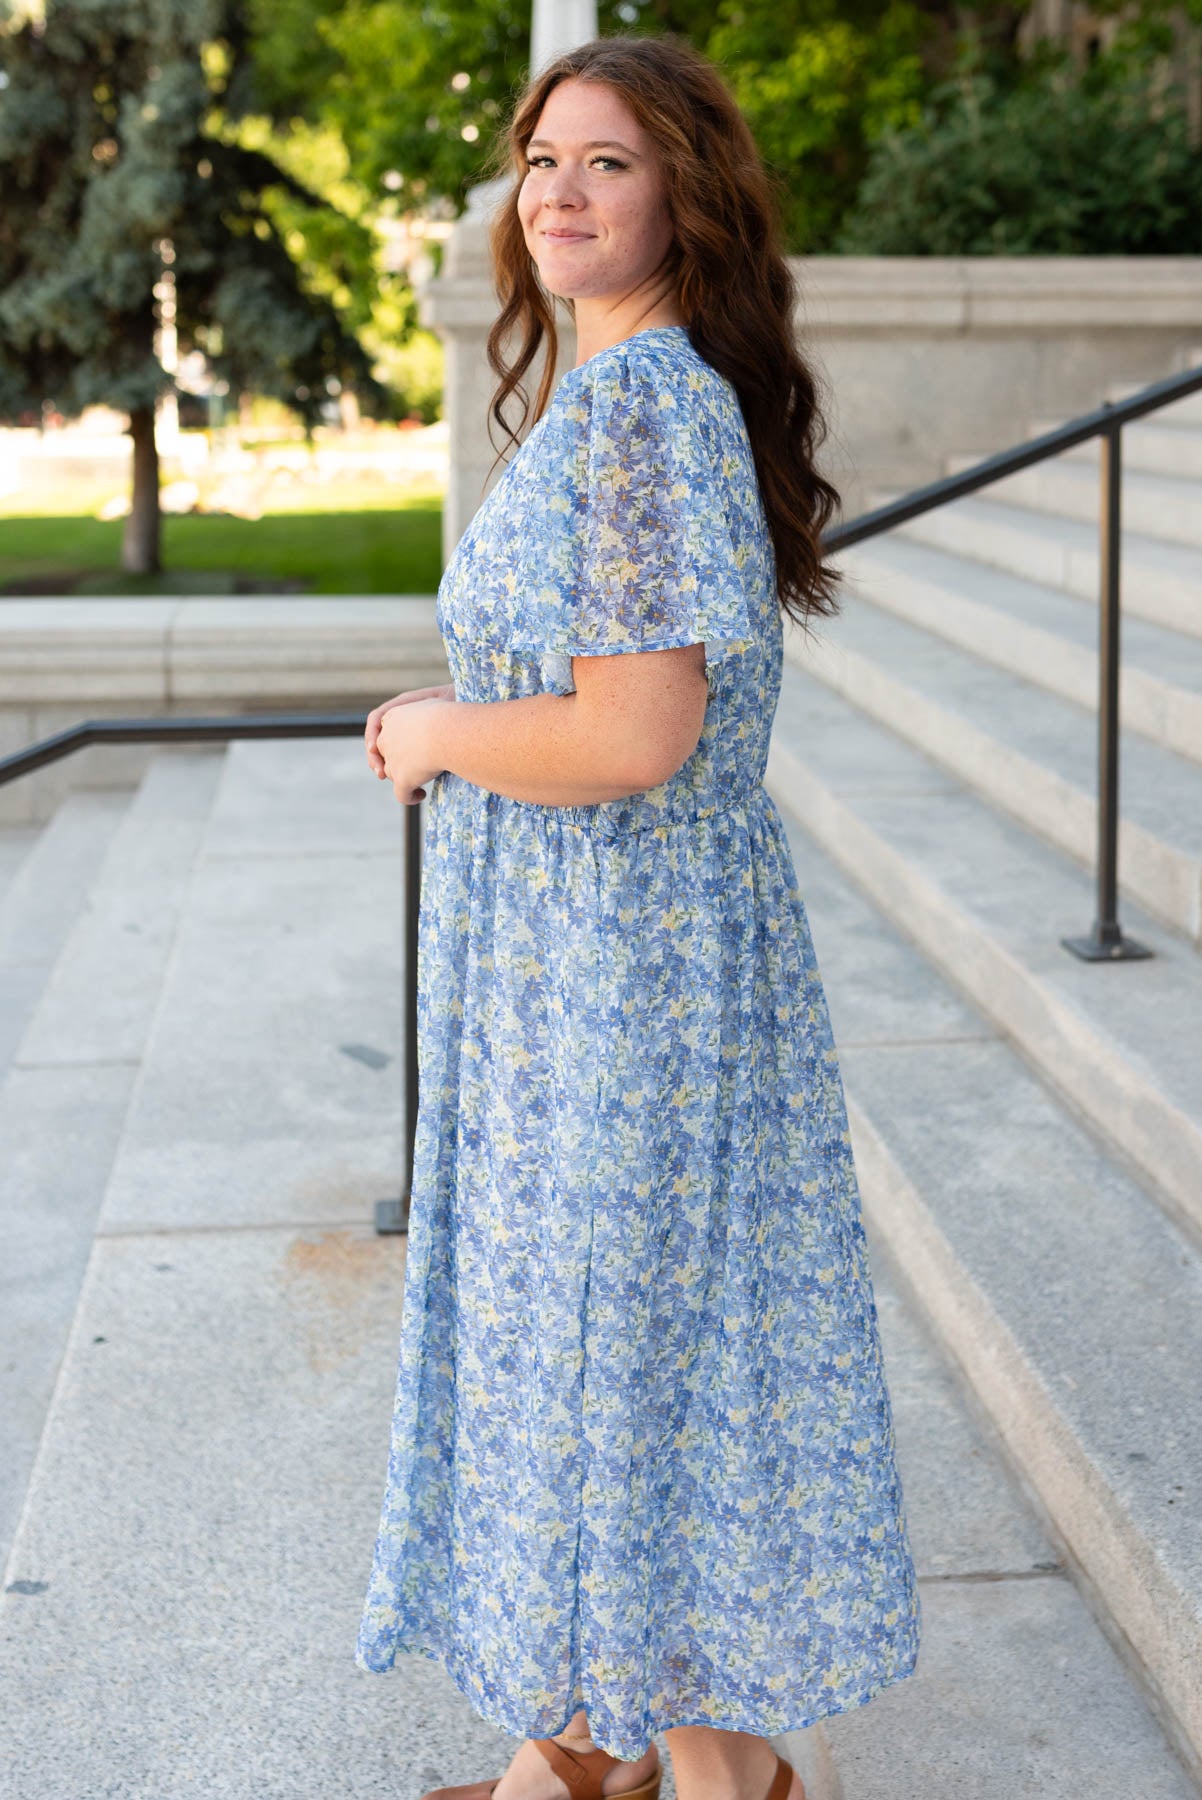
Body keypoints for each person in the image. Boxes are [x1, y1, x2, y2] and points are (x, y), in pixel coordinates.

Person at [357, 31, 921, 1800]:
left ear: (684, 189)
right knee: (613, 1340)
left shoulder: (644, 409)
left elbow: (630, 729)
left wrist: (433, 733)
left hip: (623, 966)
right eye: (541, 161)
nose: (558, 193)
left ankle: (695, 1763)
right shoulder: (629, 398)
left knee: (622, 1344)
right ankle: (603, 1745)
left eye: (604, 161)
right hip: (602, 954)